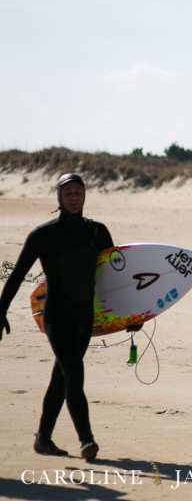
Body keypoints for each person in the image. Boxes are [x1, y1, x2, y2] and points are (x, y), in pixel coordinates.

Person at [0, 173, 113, 461]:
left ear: (85, 195)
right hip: (57, 316)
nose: (74, 197)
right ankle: (87, 441)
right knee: (74, 373)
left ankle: (43, 439)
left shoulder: (98, 232)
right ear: (59, 198)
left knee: (61, 378)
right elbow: (17, 275)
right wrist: (1, 310)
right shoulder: (43, 235)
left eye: (78, 192)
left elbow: (115, 277)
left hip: (84, 317)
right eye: (68, 192)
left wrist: (132, 316)